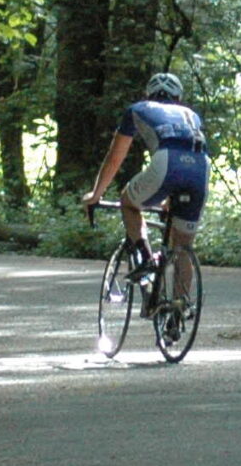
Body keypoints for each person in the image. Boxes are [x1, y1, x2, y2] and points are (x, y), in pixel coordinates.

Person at [83, 71, 209, 305]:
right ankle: (178, 311)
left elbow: (115, 157)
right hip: (201, 167)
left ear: (148, 94)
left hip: (167, 162)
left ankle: (145, 257)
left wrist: (96, 194)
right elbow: (187, 154)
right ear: (178, 97)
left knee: (128, 202)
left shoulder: (138, 109)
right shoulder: (191, 115)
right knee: (182, 246)